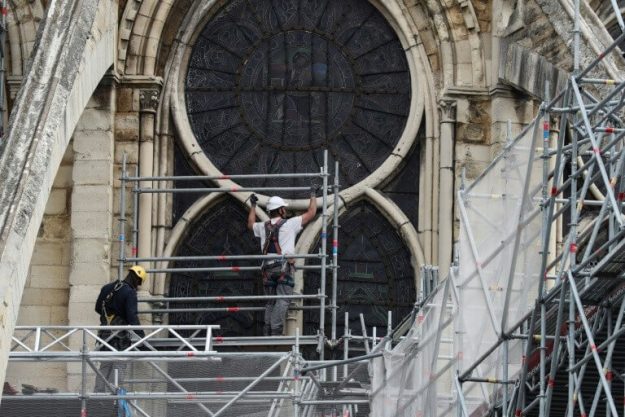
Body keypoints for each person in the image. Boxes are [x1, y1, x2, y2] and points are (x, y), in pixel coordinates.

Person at [247, 189, 317, 336]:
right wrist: (312, 195)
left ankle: (267, 331)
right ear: (280, 210)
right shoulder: (290, 224)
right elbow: (311, 213)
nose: (285, 210)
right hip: (283, 268)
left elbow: (250, 224)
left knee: (271, 301)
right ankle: (275, 331)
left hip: (267, 269)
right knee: (283, 299)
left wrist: (253, 206)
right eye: (283, 208)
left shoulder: (262, 226)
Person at [94, 265, 147, 392]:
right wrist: (142, 340)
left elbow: (97, 308)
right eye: (138, 283)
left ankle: (97, 396)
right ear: (137, 279)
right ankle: (113, 398)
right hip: (119, 339)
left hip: (104, 336)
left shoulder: (107, 288)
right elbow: (132, 318)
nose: (137, 286)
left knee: (105, 367)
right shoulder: (129, 292)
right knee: (119, 366)